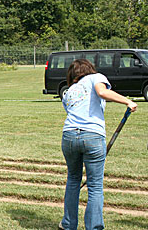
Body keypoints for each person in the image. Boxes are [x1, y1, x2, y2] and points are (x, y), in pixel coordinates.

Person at [59, 59, 137, 230]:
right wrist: (127, 101)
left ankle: (68, 224)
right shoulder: (96, 77)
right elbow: (102, 92)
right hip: (92, 136)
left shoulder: (69, 91)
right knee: (95, 186)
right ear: (90, 69)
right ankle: (94, 227)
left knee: (73, 180)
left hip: (69, 136)